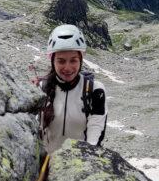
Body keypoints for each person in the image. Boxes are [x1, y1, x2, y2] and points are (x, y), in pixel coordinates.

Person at [38, 24, 107, 154]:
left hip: (79, 164)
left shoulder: (95, 91)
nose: (68, 68)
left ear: (81, 60)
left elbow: (95, 133)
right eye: (61, 61)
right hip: (45, 164)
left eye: (73, 60)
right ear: (52, 61)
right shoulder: (42, 88)